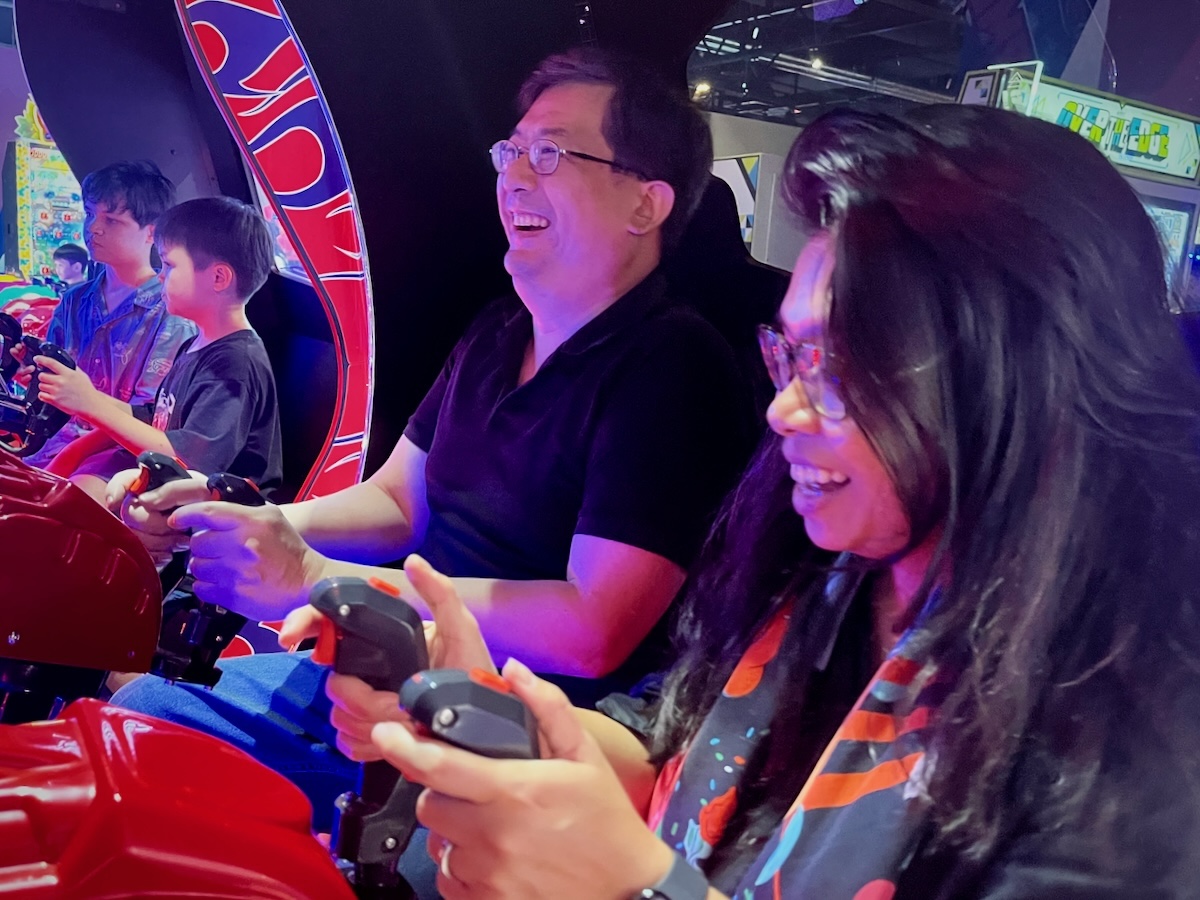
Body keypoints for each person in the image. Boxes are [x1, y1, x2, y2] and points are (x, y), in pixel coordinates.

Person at [330, 104, 1200, 899]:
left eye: (840, 363)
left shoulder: (1131, 752)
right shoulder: (827, 569)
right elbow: (669, 751)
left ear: (1012, 379)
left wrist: (632, 889)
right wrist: (477, 709)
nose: (783, 408)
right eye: (792, 355)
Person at [109, 47, 753, 826]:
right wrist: (255, 519)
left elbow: (592, 629)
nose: (514, 176)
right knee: (127, 717)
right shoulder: (498, 329)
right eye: (511, 151)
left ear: (645, 205)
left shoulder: (674, 365)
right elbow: (397, 501)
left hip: (500, 728)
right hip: (393, 669)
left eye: (551, 153)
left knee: (142, 740)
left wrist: (318, 578)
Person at [35, 197, 283, 500]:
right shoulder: (197, 344)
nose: (161, 274)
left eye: (169, 264)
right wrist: (83, 397)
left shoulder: (235, 365)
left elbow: (187, 459)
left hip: (220, 510)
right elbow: (154, 417)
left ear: (218, 277)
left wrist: (91, 404)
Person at [17, 160, 197, 474]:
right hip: (52, 443)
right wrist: (31, 374)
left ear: (151, 232)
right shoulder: (74, 299)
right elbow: (53, 385)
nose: (93, 228)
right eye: (90, 214)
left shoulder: (171, 312)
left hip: (121, 459)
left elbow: (150, 417)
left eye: (111, 220)